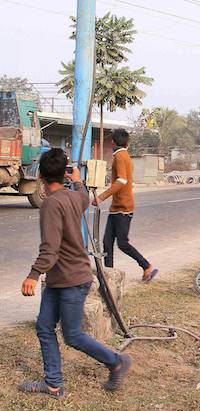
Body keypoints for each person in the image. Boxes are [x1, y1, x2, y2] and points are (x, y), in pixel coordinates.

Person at [20, 149, 131, 398]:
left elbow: (50, 249)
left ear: (40, 176)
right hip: (62, 279)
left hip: (71, 280)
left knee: (72, 335)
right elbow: (82, 194)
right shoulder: (74, 197)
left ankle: (116, 361)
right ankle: (53, 384)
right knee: (44, 327)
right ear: (64, 173)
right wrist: (78, 180)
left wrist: (33, 274)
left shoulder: (51, 203)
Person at [93, 129, 157, 282]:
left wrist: (101, 197)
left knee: (122, 243)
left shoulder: (120, 156)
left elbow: (121, 181)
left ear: (113, 142)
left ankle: (147, 266)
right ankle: (109, 277)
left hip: (123, 208)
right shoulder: (124, 155)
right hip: (116, 208)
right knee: (107, 243)